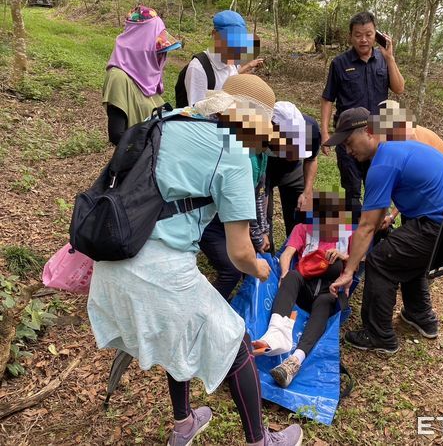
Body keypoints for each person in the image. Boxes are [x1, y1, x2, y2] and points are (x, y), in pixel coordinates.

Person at [87, 75, 303, 446]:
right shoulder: (233, 153)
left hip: (114, 256)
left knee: (180, 335)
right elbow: (240, 253)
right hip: (157, 268)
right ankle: (260, 440)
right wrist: (260, 268)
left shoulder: (172, 120)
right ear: (251, 124)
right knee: (236, 339)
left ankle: (184, 422)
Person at [327, 108, 443, 353]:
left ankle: (378, 336)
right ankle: (420, 315)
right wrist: (357, 254)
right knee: (404, 253)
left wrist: (349, 271)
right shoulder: (397, 149)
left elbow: (368, 226)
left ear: (369, 132)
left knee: (381, 261)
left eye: (349, 143)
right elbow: (378, 221)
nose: (348, 151)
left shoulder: (383, 162)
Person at [252, 190, 354, 388]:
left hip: (329, 292)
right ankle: (275, 334)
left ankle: (295, 361)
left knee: (325, 301)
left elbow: (359, 264)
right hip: (303, 289)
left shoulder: (348, 235)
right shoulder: (303, 229)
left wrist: (343, 256)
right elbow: (286, 255)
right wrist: (283, 274)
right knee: (291, 276)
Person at [320, 11, 405, 210]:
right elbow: (327, 98)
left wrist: (390, 58)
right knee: (351, 190)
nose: (364, 39)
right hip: (349, 137)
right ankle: (355, 231)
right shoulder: (340, 63)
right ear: (351, 36)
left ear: (377, 35)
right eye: (358, 35)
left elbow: (399, 88)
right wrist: (325, 132)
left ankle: (378, 231)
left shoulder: (384, 60)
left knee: (378, 185)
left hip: (377, 137)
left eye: (368, 34)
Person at [198, 76, 272, 300]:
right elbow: (241, 251)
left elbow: (256, 195)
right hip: (209, 220)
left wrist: (263, 230)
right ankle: (208, 311)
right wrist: (256, 243)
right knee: (232, 270)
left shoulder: (257, 155)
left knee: (239, 268)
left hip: (227, 219)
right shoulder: (230, 153)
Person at [368, 100, 443, 232]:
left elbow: (417, 184)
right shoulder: (392, 137)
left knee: (426, 217)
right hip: (435, 173)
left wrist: (392, 215)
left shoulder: (410, 137)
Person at [103, 6, 181, 145]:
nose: (163, 56)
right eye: (158, 50)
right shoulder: (119, 78)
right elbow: (117, 135)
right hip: (139, 164)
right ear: (141, 46)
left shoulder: (147, 76)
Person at [177, 10, 263, 107]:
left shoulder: (232, 64)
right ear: (214, 35)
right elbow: (196, 112)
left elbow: (229, 83)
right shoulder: (198, 68)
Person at [265, 101, 319, 249]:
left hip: (293, 172)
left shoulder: (311, 129)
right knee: (263, 220)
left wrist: (307, 191)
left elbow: (311, 159)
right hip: (265, 171)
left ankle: (296, 253)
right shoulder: (258, 135)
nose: (294, 154)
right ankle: (266, 259)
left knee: (301, 212)